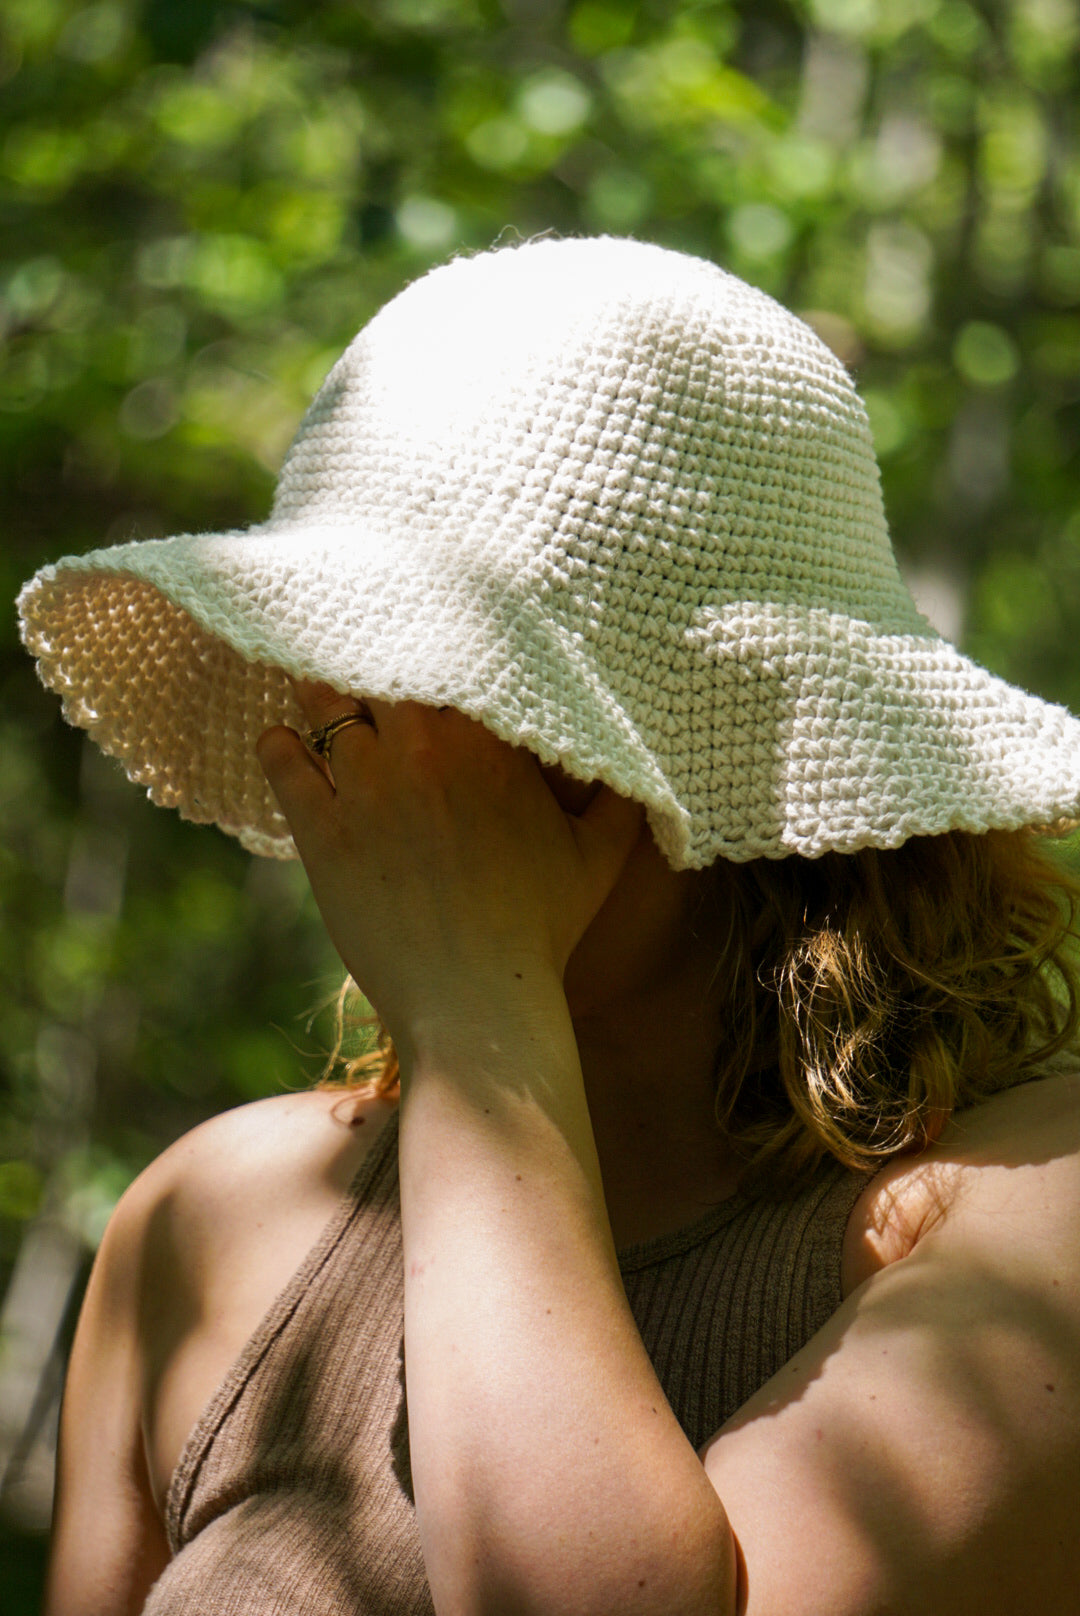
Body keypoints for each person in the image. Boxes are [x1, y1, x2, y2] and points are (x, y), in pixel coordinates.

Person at [18, 235, 1080, 1616]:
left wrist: (474, 1012)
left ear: (599, 769)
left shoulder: (1023, 1218)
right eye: (333, 672)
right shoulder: (217, 1221)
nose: (334, 738)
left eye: (403, 679)